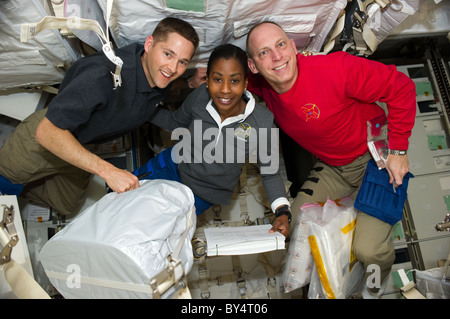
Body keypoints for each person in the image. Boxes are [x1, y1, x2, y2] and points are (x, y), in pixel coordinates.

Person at [244, 21, 416, 298]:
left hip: (376, 160)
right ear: (254, 66)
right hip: (334, 167)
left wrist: (398, 151)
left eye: (280, 45)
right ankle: (331, 286)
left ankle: (369, 292)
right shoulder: (263, 85)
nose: (276, 57)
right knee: (293, 226)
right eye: (263, 53)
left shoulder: (336, 69)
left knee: (368, 251)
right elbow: (228, 79)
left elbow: (402, 87)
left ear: (293, 46)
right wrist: (200, 79)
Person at [0, 17, 199, 216]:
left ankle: (24, 185)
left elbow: (161, 94)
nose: (173, 68)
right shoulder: (102, 74)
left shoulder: (160, 76)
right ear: (149, 44)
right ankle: (15, 179)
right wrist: (107, 170)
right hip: (49, 136)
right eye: (167, 54)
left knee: (67, 206)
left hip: (81, 144)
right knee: (6, 194)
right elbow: (46, 131)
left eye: (182, 62)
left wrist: (190, 83)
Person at [133, 43, 291, 236]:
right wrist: (139, 107)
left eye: (234, 81)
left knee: (148, 229)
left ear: (245, 83)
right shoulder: (200, 96)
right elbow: (175, 122)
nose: (225, 90)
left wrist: (282, 212)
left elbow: (270, 174)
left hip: (200, 195)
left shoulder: (263, 122)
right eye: (217, 79)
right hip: (169, 166)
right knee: (121, 199)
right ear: (207, 81)